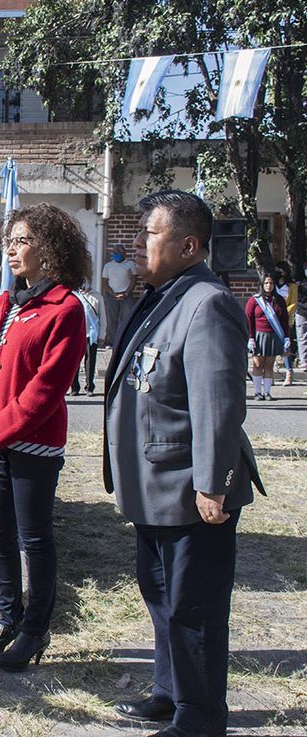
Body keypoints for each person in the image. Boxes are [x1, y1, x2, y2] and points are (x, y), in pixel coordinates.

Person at [105, 190, 264, 737]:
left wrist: (213, 484)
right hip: (154, 485)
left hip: (190, 489)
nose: (139, 241)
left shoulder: (208, 301)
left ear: (189, 245)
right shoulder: (162, 295)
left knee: (193, 610)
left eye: (151, 232)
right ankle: (170, 694)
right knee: (162, 601)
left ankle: (199, 718)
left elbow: (218, 404)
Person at [0, 203, 89, 672]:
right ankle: (7, 619)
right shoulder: (3, 304)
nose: (12, 249)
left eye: (22, 240)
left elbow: (47, 387)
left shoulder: (66, 308)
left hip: (32, 444)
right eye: (9, 241)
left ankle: (36, 629)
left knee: (33, 538)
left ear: (49, 247)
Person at [245, 273, 289, 401]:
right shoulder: (254, 300)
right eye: (266, 283)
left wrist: (286, 337)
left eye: (271, 283)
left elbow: (284, 320)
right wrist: (251, 338)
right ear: (262, 285)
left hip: (273, 335)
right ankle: (257, 392)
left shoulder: (279, 300)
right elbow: (249, 320)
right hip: (259, 335)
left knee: (269, 365)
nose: (268, 286)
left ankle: (267, 392)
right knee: (258, 364)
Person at [70, 281, 105, 396]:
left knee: (90, 361)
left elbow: (103, 318)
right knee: (74, 362)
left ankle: (90, 387)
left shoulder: (97, 296)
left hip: (92, 334)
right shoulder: (74, 295)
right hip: (76, 333)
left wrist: (102, 336)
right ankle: (74, 387)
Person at [101, 243, 137, 343]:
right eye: (115, 252)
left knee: (127, 319)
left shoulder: (130, 264)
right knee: (111, 320)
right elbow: (104, 283)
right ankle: (112, 341)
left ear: (124, 253)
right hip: (111, 296)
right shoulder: (108, 266)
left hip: (126, 296)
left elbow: (134, 280)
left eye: (119, 252)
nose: (117, 254)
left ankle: (125, 340)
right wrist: (113, 294)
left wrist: (126, 293)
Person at [274, 261, 296, 385]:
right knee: (271, 345)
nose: (278, 273)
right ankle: (269, 373)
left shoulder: (291, 286)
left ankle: (289, 371)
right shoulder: (273, 284)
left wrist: (283, 313)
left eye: (280, 271)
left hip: (284, 318)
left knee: (285, 345)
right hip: (272, 318)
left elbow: (293, 303)